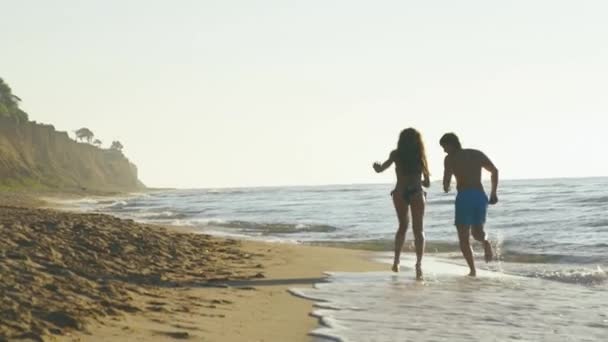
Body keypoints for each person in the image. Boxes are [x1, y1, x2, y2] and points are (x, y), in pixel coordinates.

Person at [373, 128, 430, 280]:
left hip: (400, 192)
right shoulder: (420, 155)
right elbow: (428, 183)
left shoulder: (396, 154)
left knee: (402, 227)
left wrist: (376, 167)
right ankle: (418, 264)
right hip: (417, 193)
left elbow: (381, 169)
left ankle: (396, 261)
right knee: (419, 230)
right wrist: (419, 180)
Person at [440, 133, 498, 277]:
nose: (444, 151)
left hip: (464, 197)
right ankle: (485, 242)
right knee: (477, 233)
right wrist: (493, 193)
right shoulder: (476, 154)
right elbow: (494, 171)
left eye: (444, 147)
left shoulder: (449, 159)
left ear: (451, 144)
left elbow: (446, 181)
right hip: (479, 196)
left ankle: (472, 270)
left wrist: (446, 186)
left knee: (463, 237)